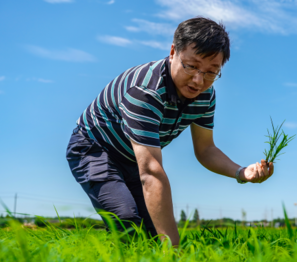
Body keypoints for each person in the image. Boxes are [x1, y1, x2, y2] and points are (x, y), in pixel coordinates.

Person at [66, 17, 274, 246]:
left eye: (211, 72)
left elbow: (205, 149)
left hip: (132, 157)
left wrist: (241, 172)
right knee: (126, 220)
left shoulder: (205, 96)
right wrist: (174, 252)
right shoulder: (146, 91)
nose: (198, 80)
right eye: (191, 66)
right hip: (95, 149)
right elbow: (152, 172)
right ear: (173, 51)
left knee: (153, 235)